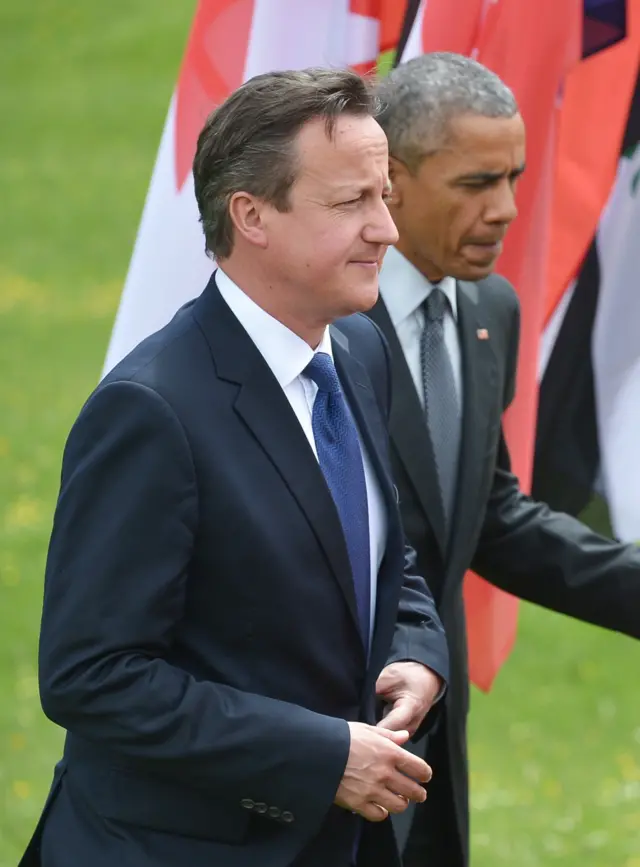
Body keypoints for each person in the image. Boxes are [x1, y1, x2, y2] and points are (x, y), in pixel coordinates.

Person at [20, 69, 451, 867]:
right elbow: (92, 674)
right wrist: (322, 755)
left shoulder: (360, 350)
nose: (387, 229)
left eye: (384, 195)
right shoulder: (150, 412)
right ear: (251, 216)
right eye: (352, 202)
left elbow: (387, 554)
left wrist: (417, 651)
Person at [369, 52, 640, 867]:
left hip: (432, 745)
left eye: (514, 179)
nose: (506, 210)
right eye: (475, 184)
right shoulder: (317, 321)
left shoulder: (488, 307)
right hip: (322, 745)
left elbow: (486, 516)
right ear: (392, 180)